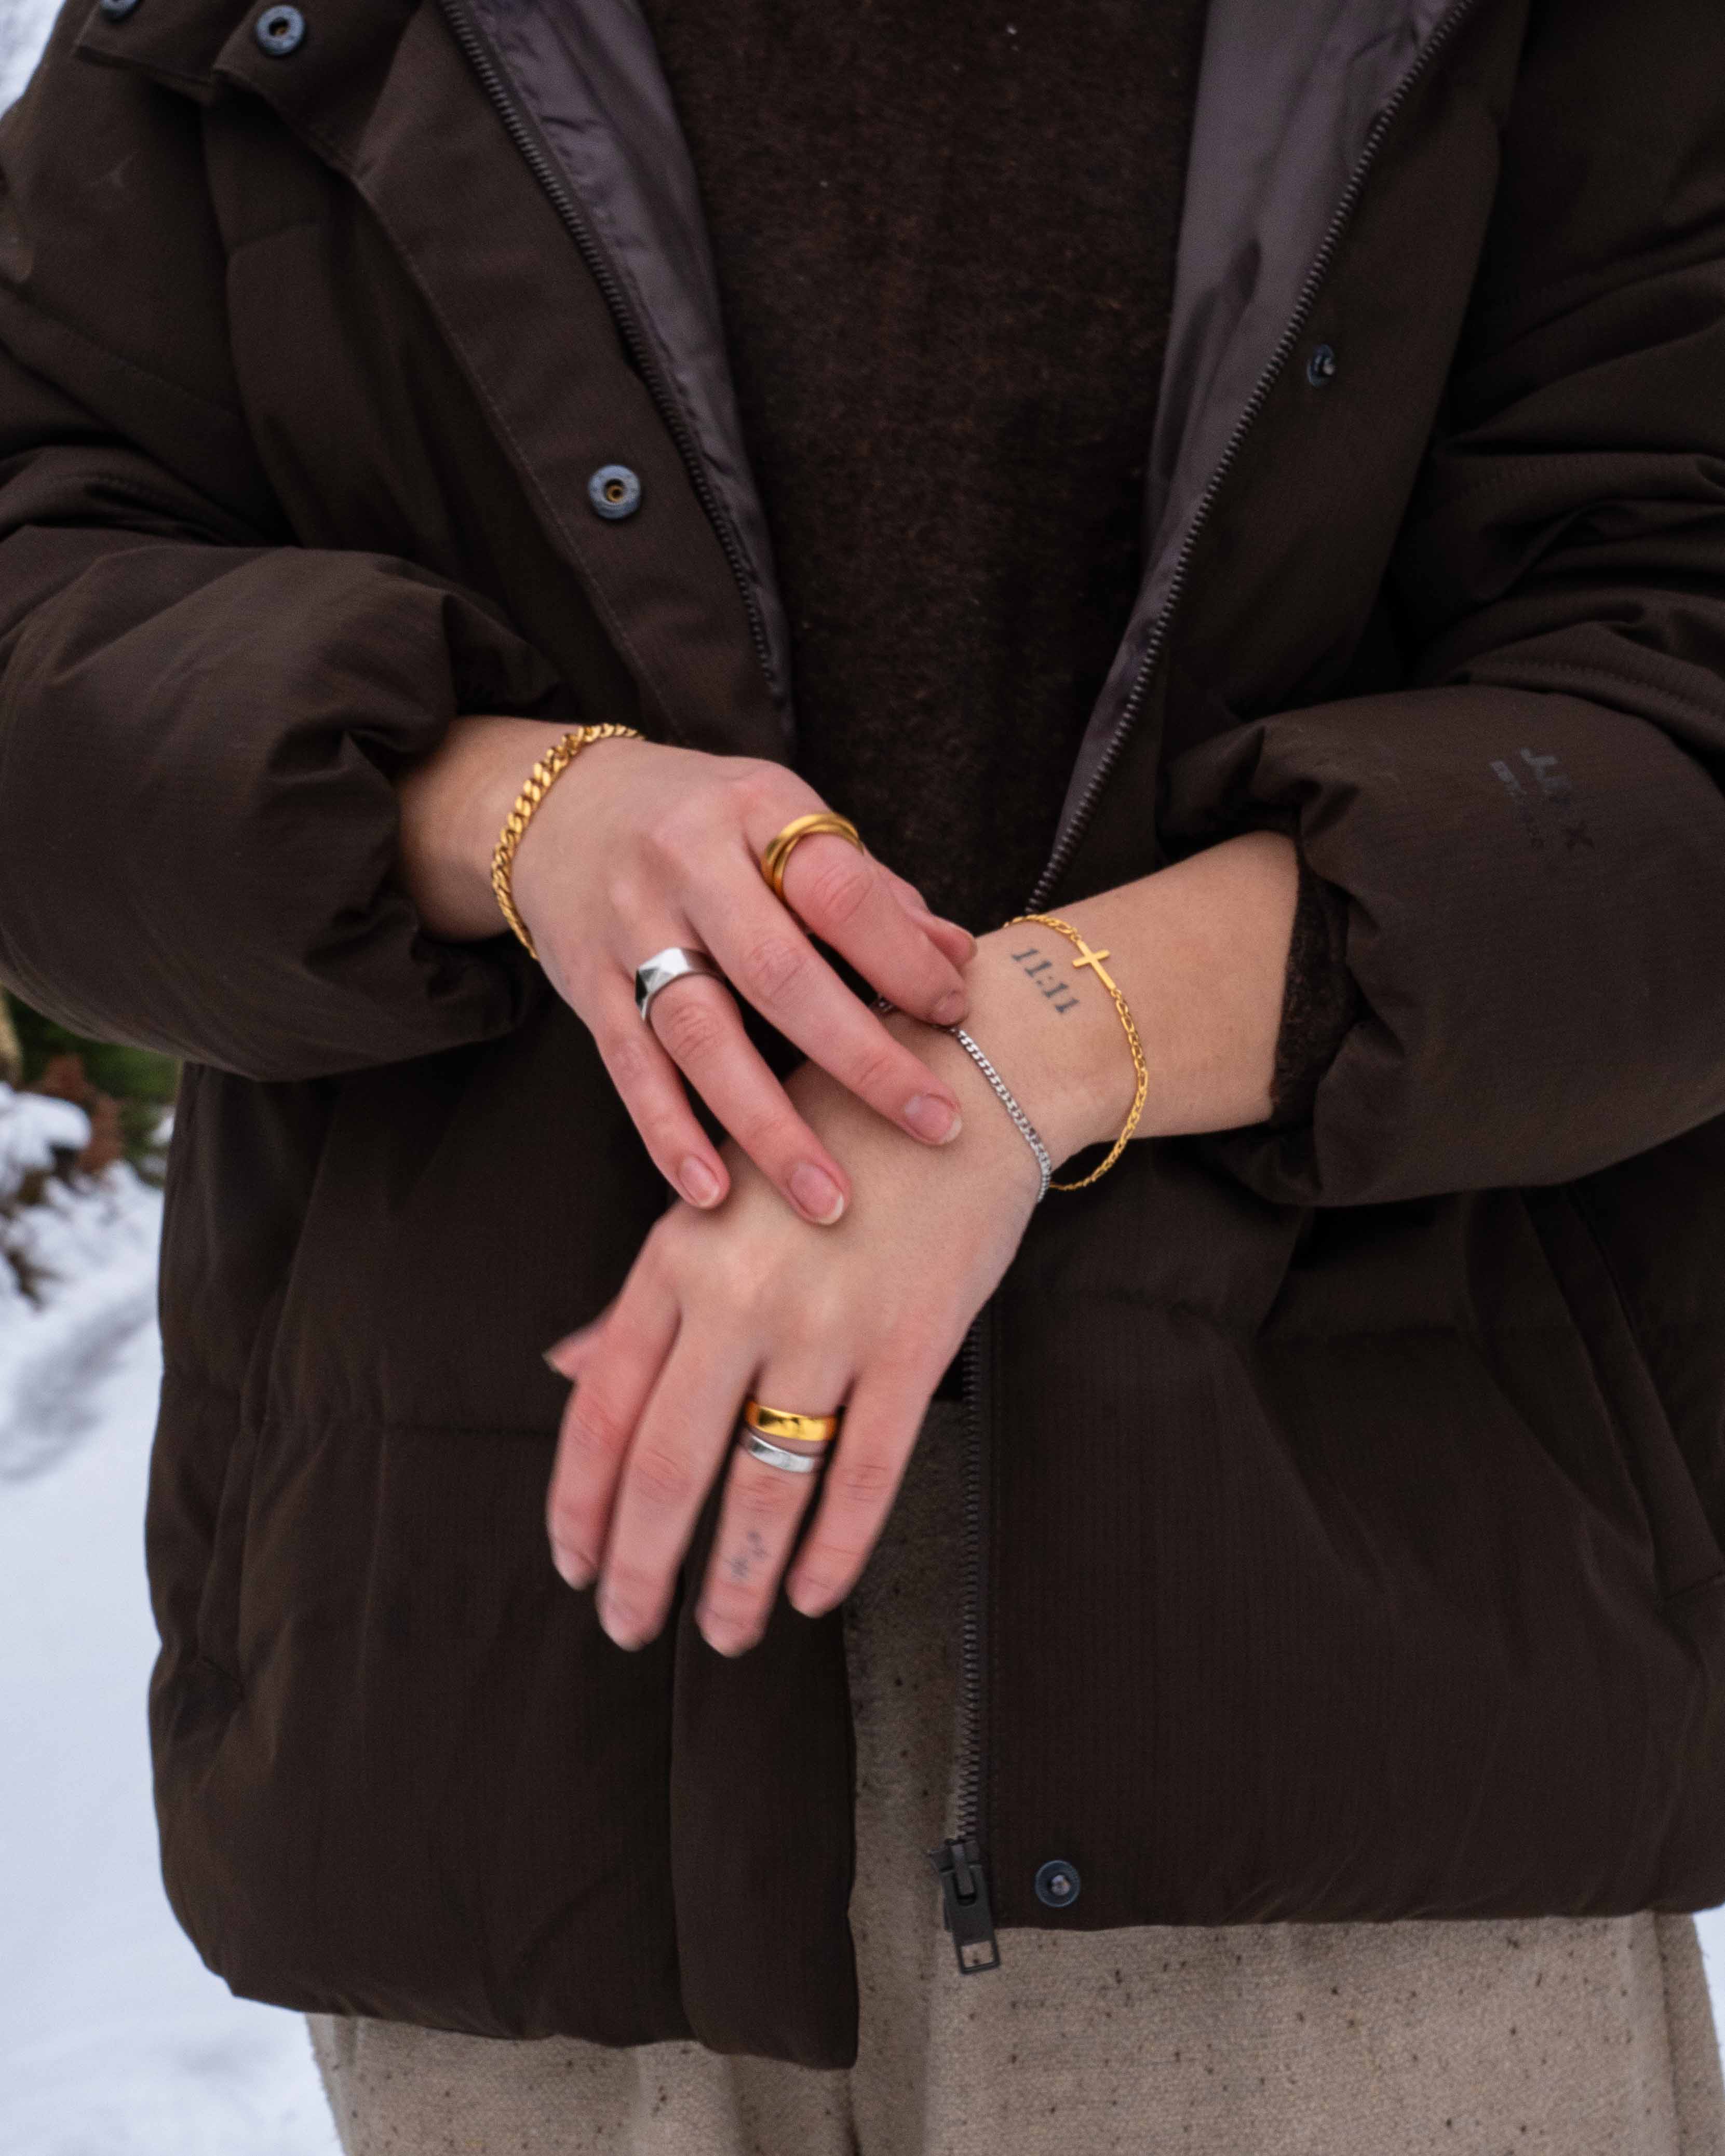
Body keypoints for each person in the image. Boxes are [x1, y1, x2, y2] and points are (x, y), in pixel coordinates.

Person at [3, 0, 1725, 2147]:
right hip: (515, 1682)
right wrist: (512, 809)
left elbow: (1673, 691)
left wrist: (1040, 1050)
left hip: (1354, 1698)